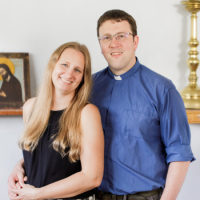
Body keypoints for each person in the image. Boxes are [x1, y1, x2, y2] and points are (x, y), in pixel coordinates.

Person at [8, 10, 195, 200]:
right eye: (106, 37)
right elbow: (59, 146)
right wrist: (22, 164)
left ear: (135, 41)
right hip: (94, 196)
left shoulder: (162, 89)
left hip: (143, 196)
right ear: (100, 45)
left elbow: (180, 153)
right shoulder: (84, 87)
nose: (114, 43)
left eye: (121, 36)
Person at [8, 42, 104, 200]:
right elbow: (44, 155)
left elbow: (92, 177)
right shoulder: (30, 107)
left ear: (83, 78)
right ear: (53, 65)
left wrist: (38, 194)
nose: (69, 74)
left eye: (77, 70)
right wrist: (19, 166)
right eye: (65, 65)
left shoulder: (87, 113)